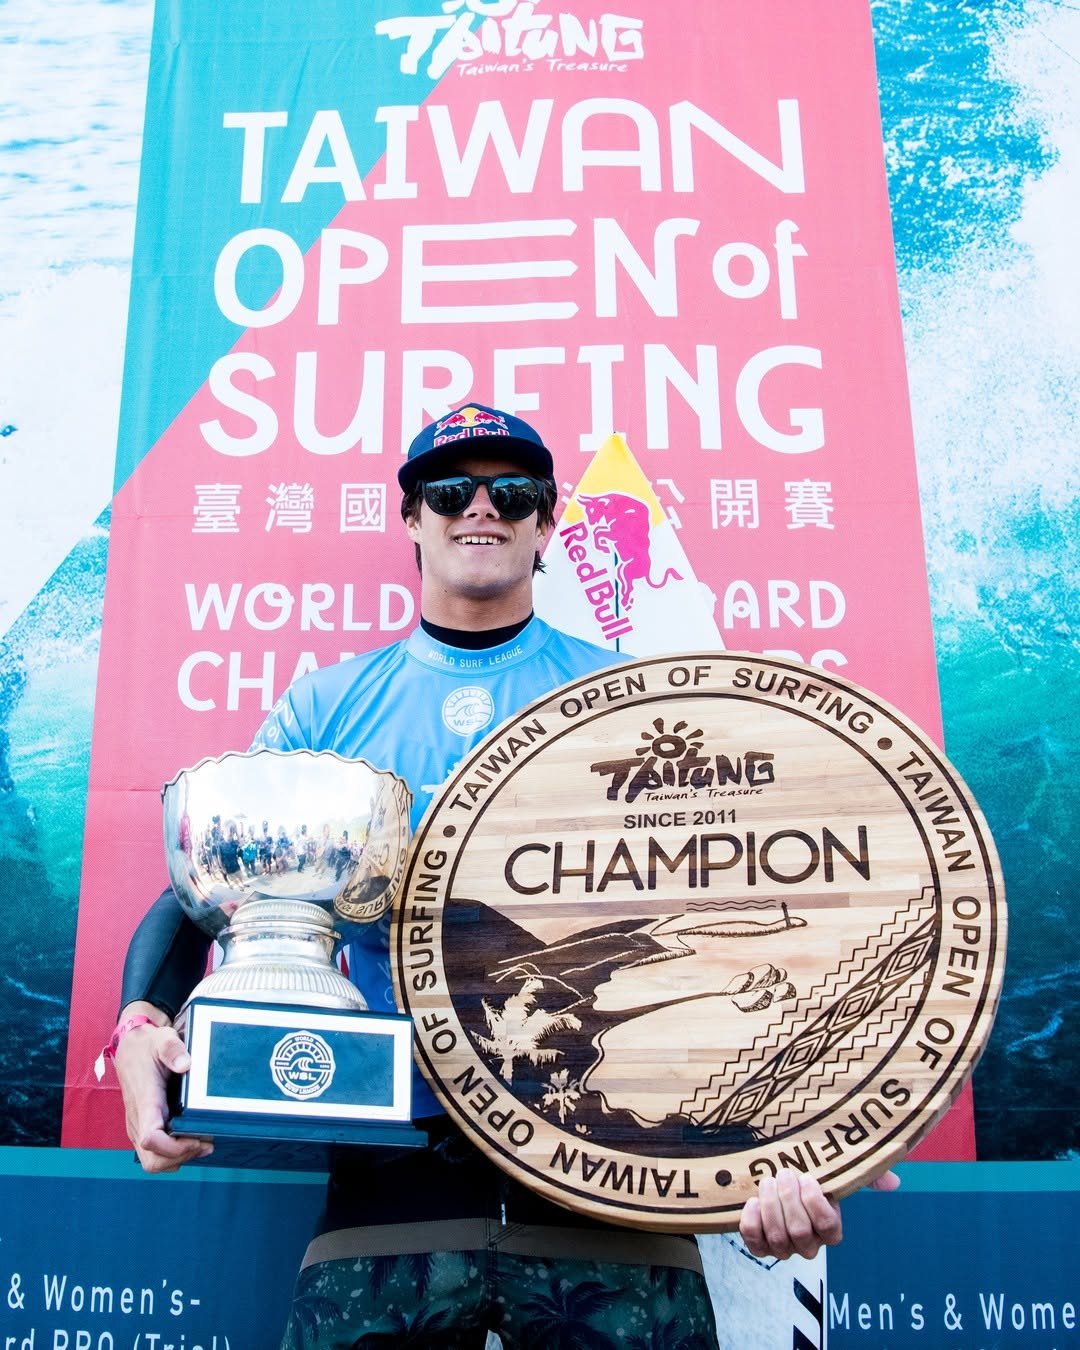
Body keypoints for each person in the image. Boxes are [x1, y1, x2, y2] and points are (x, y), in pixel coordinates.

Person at [109, 403, 897, 1348]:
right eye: (451, 491)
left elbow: (736, 905)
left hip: (614, 1181)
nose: (481, 508)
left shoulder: (635, 701)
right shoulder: (325, 708)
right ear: (411, 517)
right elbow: (220, 884)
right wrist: (141, 1028)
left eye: (512, 492)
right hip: (394, 1181)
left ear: (547, 521)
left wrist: (815, 1134)